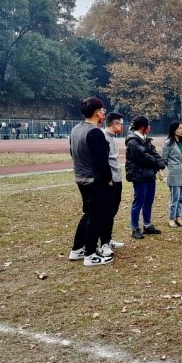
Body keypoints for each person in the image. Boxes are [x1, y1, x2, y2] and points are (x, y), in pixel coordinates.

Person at [68, 98, 115, 267]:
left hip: (80, 177)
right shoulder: (94, 133)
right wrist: (108, 179)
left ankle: (77, 249)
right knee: (95, 217)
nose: (104, 113)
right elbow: (101, 160)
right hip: (94, 180)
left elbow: (72, 152)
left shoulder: (76, 129)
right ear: (96, 112)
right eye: (102, 110)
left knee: (88, 214)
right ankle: (90, 254)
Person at [125, 116, 166, 239]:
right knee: (138, 202)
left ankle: (147, 225)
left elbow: (154, 154)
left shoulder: (146, 139)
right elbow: (143, 157)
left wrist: (160, 165)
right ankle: (135, 228)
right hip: (139, 175)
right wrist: (155, 161)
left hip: (149, 175)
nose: (149, 127)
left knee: (148, 201)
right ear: (142, 127)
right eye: (148, 125)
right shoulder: (133, 141)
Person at [102, 112, 126, 252]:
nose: (122, 127)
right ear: (115, 124)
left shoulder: (112, 138)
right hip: (110, 181)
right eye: (120, 124)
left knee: (112, 211)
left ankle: (108, 239)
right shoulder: (103, 138)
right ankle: (104, 243)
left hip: (117, 179)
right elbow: (103, 161)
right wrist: (108, 179)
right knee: (107, 211)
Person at [161, 120, 182, 227]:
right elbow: (164, 159)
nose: (181, 130)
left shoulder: (181, 142)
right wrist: (171, 168)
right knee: (175, 198)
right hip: (174, 174)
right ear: (173, 130)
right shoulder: (167, 143)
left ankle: (178, 216)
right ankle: (171, 218)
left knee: (181, 198)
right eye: (179, 128)